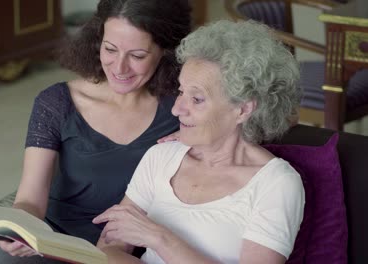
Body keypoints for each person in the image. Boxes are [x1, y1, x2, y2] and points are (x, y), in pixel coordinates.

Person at [0, 0, 191, 263]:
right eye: (110, 49)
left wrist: (198, 139)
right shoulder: (57, 102)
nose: (119, 68)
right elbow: (30, 200)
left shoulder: (181, 105)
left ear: (166, 51)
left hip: (134, 243)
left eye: (137, 56)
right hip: (56, 238)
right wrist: (19, 229)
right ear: (98, 41)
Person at [93, 20, 305, 264]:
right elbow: (107, 251)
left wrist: (160, 238)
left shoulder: (276, 184)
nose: (176, 109)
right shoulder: (161, 157)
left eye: (197, 99)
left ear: (243, 109)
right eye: (181, 92)